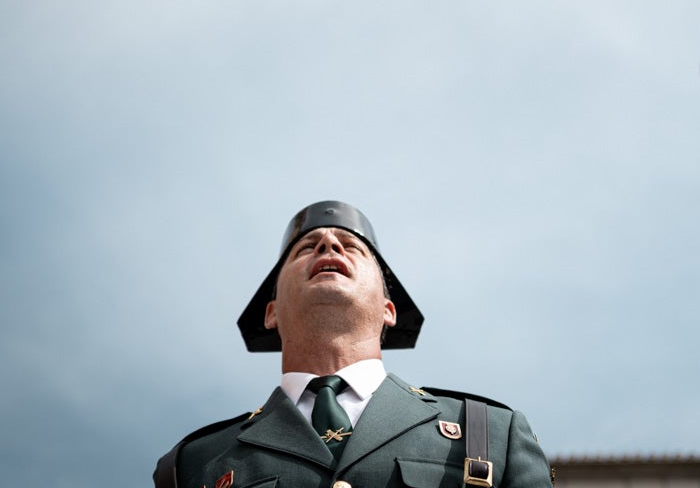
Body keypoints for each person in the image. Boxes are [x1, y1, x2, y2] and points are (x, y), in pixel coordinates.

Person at [155, 200, 552, 488]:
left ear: (388, 309)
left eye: (352, 246)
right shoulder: (196, 464)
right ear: (271, 312)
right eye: (306, 248)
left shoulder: (487, 433)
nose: (329, 246)